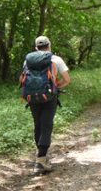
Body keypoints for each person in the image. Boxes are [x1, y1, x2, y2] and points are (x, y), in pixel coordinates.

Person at [24, 35, 71, 174]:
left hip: (31, 97)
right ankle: (40, 161)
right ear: (49, 46)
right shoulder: (55, 59)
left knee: (37, 124)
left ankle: (40, 156)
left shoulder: (27, 60)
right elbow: (67, 79)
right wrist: (56, 87)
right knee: (46, 125)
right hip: (49, 97)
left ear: (36, 47)